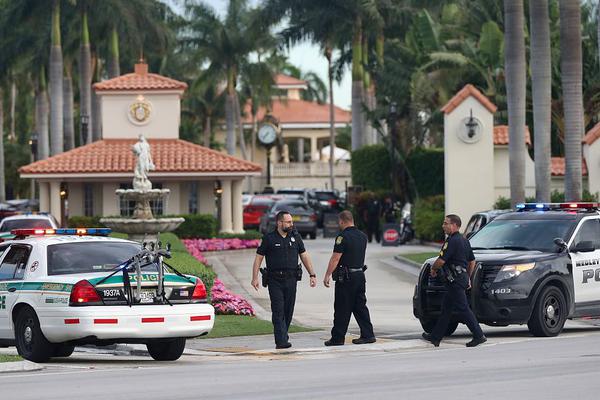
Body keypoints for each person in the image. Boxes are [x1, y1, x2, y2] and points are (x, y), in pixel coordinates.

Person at [251, 211, 317, 349]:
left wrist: (312, 274)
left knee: (288, 310)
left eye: (291, 222)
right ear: (279, 223)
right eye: (288, 222)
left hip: (291, 279)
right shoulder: (269, 238)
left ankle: (283, 334)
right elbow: (258, 257)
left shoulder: (296, 237)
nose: (291, 224)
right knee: (278, 310)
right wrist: (255, 277)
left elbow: (304, 256)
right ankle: (281, 341)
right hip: (275, 280)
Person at [422, 214, 487, 347]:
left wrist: (433, 270)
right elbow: (472, 261)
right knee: (446, 310)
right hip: (459, 279)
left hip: (454, 281)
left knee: (463, 308)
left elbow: (441, 260)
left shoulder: (451, 241)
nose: (443, 226)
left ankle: (479, 335)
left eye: (446, 223)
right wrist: (468, 277)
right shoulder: (464, 240)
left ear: (454, 225)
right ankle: (435, 337)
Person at [323, 210, 375, 346]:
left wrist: (328, 274)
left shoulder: (342, 237)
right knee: (360, 306)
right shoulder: (363, 236)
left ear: (341, 221)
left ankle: (337, 338)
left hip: (346, 277)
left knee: (342, 307)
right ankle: (368, 334)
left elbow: (335, 258)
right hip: (359, 275)